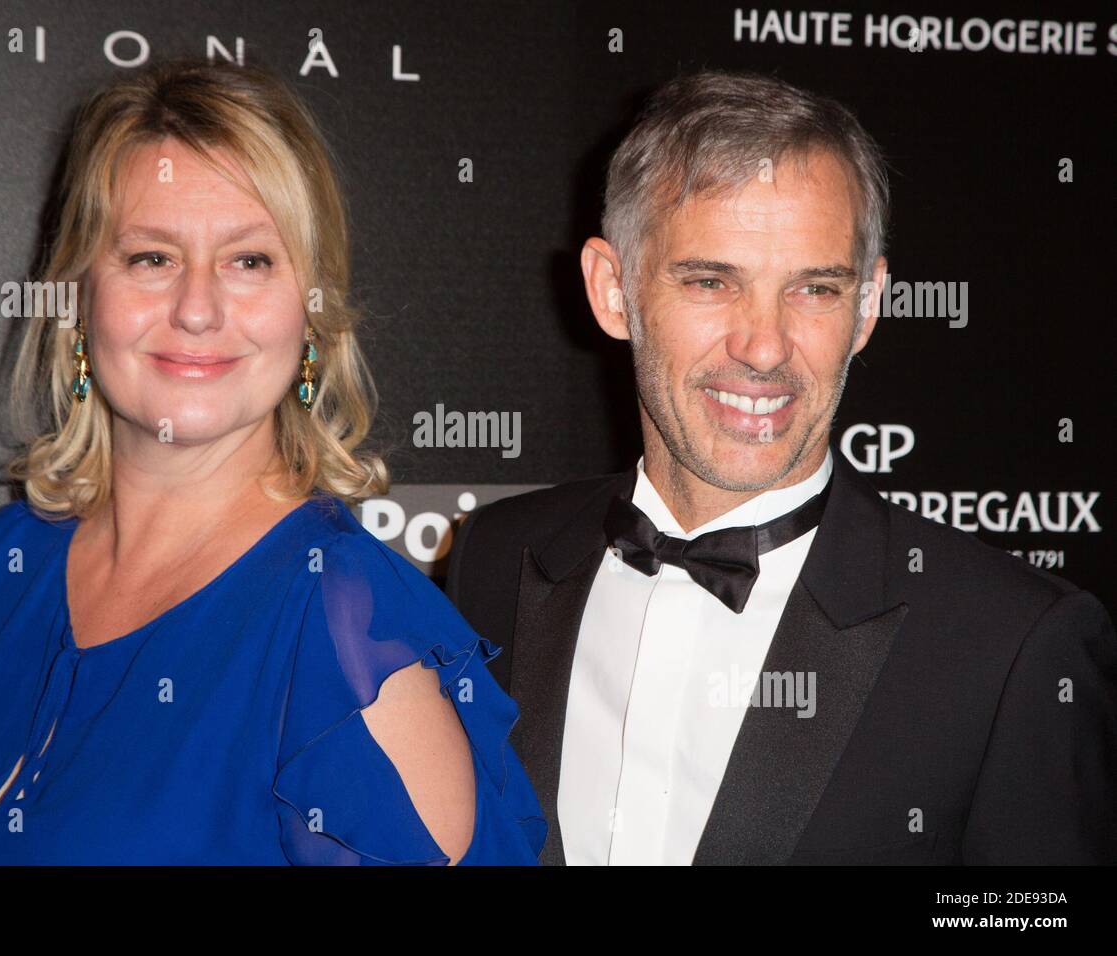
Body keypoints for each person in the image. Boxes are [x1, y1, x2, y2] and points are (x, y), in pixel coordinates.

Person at [0, 58, 545, 865]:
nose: (197, 309)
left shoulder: (344, 633)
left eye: (250, 261)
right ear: (77, 302)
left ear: (312, 315)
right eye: (151, 258)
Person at [446, 70, 1117, 865]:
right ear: (613, 290)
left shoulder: (1011, 643)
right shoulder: (495, 559)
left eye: (814, 289)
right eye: (709, 282)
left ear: (867, 305)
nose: (763, 346)